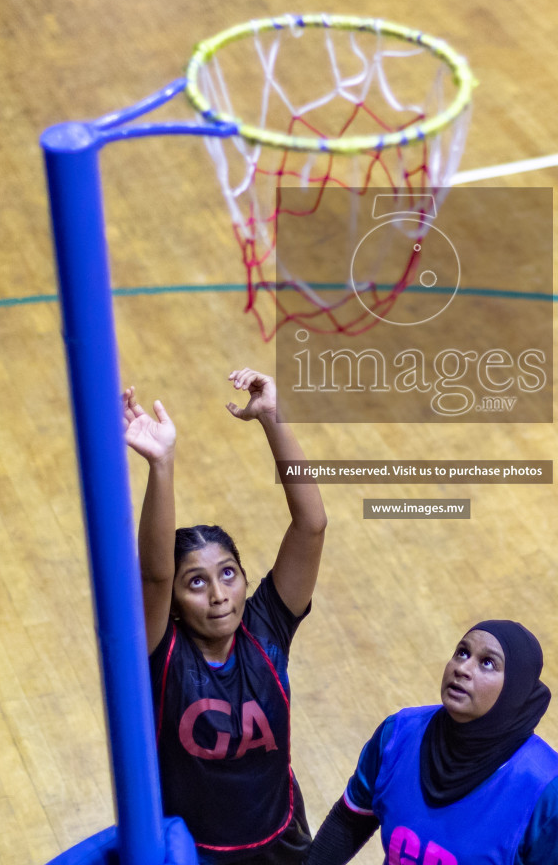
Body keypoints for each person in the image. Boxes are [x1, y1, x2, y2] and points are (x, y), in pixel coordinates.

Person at [122, 368, 327, 865]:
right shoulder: (161, 653)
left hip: (283, 844)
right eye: (196, 581)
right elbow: (152, 576)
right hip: (195, 856)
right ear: (173, 602)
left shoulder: (266, 628)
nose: (218, 595)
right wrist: (161, 465)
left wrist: (273, 419)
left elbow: (312, 524)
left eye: (228, 574)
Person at [306, 621, 558, 865]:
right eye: (462, 653)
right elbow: (349, 821)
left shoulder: (553, 796)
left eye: (487, 663)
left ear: (515, 689)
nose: (463, 668)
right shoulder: (398, 735)